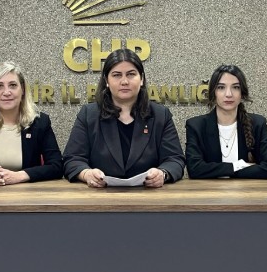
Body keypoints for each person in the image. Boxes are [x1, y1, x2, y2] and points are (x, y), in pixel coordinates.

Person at [63, 48, 185, 188]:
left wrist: (162, 173)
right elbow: (72, 159)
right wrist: (86, 174)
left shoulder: (160, 115)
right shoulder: (88, 114)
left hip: (149, 195)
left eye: (131, 74)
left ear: (141, 79)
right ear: (106, 81)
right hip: (99, 195)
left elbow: (175, 159)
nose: (124, 81)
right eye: (116, 75)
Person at [185, 64, 267, 179]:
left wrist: (218, 170)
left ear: (242, 93)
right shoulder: (196, 126)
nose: (229, 94)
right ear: (213, 92)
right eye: (221, 87)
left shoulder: (257, 124)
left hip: (248, 190)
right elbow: (195, 169)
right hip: (209, 190)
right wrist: (237, 166)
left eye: (236, 87)